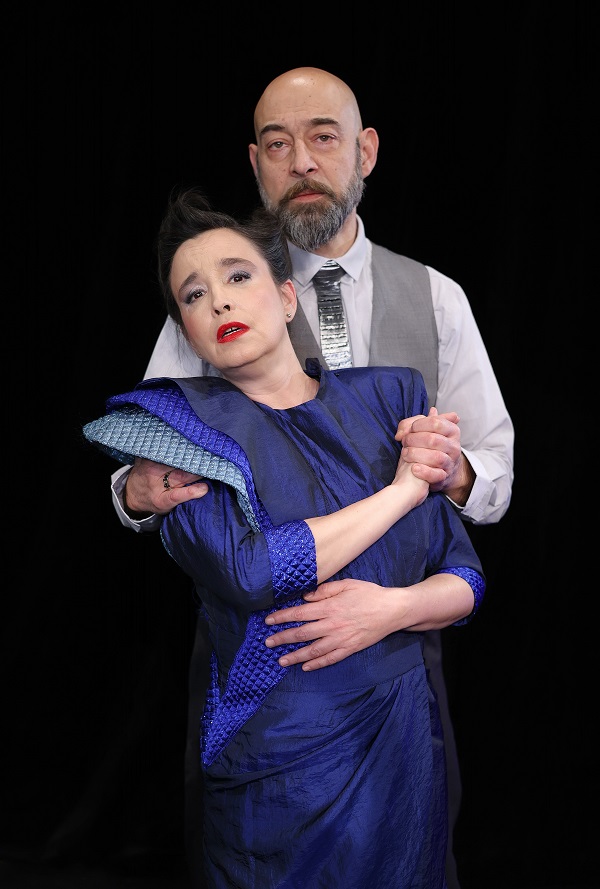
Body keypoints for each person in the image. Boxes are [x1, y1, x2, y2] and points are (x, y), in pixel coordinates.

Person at [110, 68, 514, 887]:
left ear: (365, 151)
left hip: (399, 650)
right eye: (277, 143)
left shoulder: (436, 300)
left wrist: (448, 472)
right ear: (255, 163)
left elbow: (493, 477)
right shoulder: (209, 287)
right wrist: (133, 492)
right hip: (260, 668)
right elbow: (147, 464)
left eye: (322, 137)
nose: (300, 160)